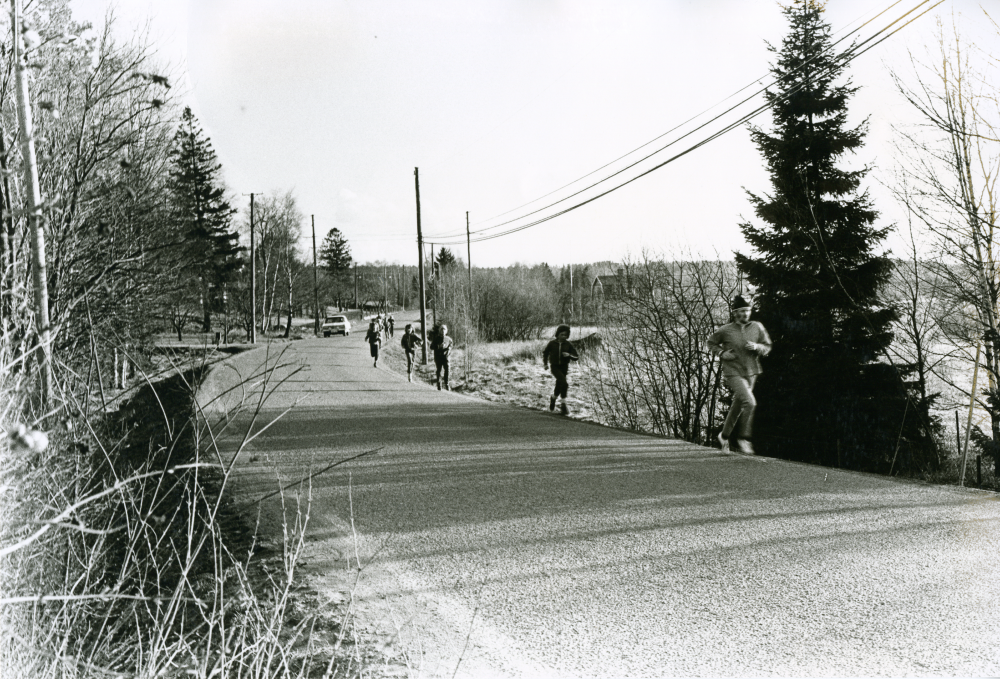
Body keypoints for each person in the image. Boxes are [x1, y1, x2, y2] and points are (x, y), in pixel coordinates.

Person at [707, 294, 772, 455]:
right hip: (733, 371)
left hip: (751, 371)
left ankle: (724, 436)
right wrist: (722, 353)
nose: (745, 314)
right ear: (735, 313)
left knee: (737, 406)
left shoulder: (757, 327)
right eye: (741, 311)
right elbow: (710, 342)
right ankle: (744, 438)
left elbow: (767, 346)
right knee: (750, 402)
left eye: (747, 311)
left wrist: (757, 347)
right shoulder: (726, 330)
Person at [543, 324, 580, 415]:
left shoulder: (568, 344)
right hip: (554, 367)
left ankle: (553, 398)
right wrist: (545, 364)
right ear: (558, 334)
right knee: (564, 383)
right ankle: (563, 404)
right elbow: (545, 353)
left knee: (559, 385)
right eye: (562, 334)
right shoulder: (552, 343)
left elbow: (576, 357)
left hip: (564, 367)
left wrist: (569, 355)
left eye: (566, 335)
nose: (564, 336)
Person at [430, 323, 453, 390]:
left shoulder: (449, 339)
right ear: (440, 331)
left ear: (446, 331)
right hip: (438, 357)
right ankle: (439, 384)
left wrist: (449, 349)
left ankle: (446, 384)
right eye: (441, 330)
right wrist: (438, 346)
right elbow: (431, 347)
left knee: (447, 370)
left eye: (444, 330)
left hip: (446, 357)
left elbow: (451, 345)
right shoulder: (436, 338)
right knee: (439, 370)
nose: (443, 332)